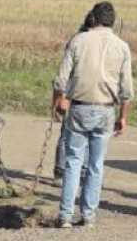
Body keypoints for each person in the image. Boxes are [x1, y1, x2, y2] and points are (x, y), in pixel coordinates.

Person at [52, 1, 134, 228]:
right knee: (96, 165)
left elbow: (61, 79)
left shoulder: (78, 40)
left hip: (78, 107)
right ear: (113, 21)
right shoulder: (122, 46)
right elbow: (127, 90)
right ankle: (88, 215)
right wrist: (123, 117)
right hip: (106, 110)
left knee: (73, 162)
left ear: (93, 18)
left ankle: (65, 215)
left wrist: (59, 102)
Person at [52, 11, 98, 183]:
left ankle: (67, 171)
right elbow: (65, 74)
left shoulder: (79, 40)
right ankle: (65, 171)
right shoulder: (78, 41)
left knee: (71, 134)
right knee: (72, 134)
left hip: (77, 94)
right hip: (75, 93)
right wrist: (61, 97)